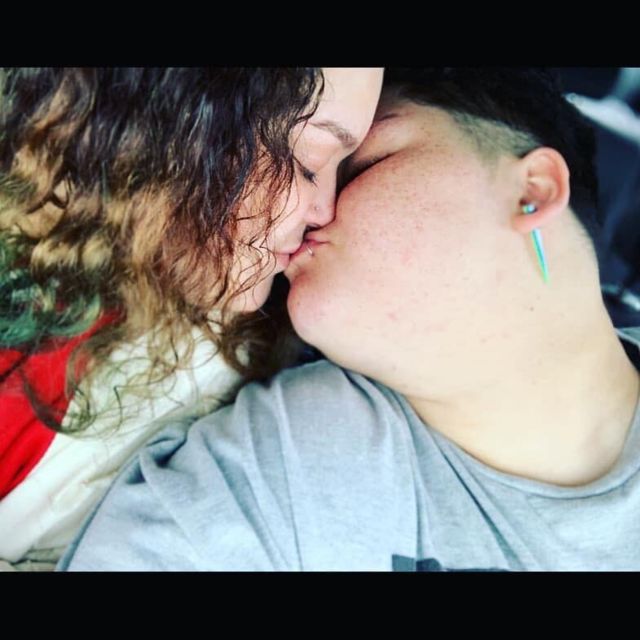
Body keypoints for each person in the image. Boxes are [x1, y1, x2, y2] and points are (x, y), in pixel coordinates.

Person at [57, 68, 640, 571]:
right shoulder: (283, 470)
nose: (306, 211)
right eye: (312, 165)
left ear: (533, 191)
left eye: (361, 167)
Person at [0, 67, 383, 570]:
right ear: (176, 121)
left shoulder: (253, 346)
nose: (325, 211)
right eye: (309, 163)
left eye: (345, 168)